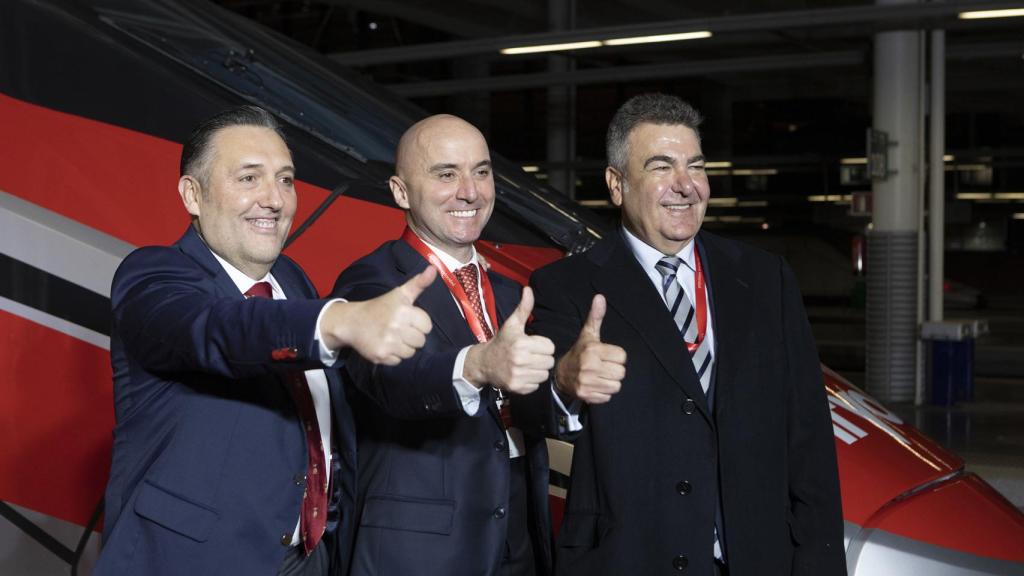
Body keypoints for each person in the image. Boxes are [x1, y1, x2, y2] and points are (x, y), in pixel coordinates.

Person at [94, 105, 435, 576]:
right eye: (249, 178)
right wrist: (338, 321)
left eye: (286, 180)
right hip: (192, 561)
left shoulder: (292, 280)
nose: (274, 199)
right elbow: (220, 329)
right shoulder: (153, 274)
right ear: (193, 195)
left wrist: (477, 368)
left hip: (307, 558)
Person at [528, 94, 846, 576]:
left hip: (756, 560)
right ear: (617, 185)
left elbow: (809, 438)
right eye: (661, 167)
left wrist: (820, 565)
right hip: (627, 560)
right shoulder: (567, 285)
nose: (685, 186)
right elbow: (532, 409)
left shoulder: (764, 278)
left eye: (695, 167)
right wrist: (563, 381)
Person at [331, 114, 555, 576]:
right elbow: (394, 382)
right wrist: (476, 365)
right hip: (422, 548)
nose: (470, 191)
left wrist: (568, 383)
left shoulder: (513, 293)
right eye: (445, 174)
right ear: (400, 192)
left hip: (518, 533)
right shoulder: (371, 282)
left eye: (481, 171)